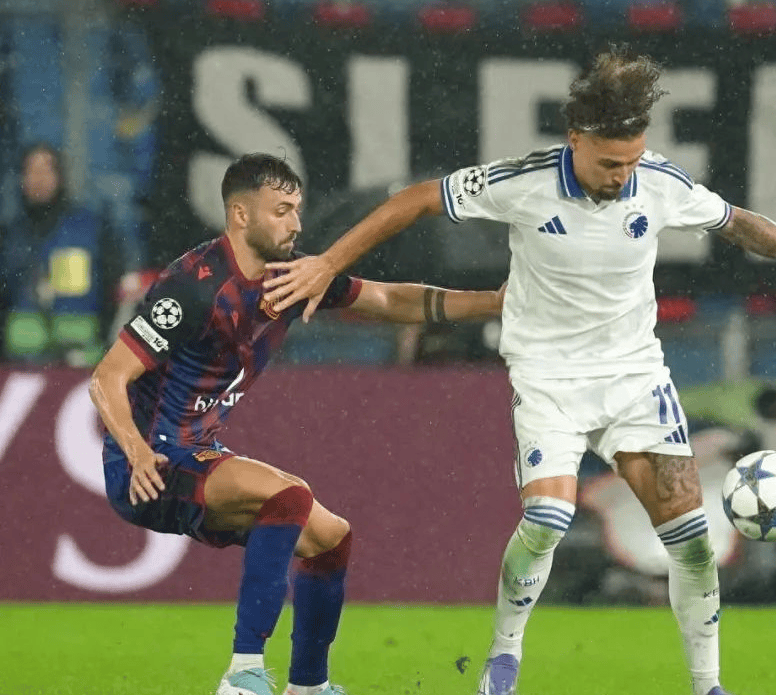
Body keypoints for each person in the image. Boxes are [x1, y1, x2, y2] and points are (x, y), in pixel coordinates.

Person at [262, 48, 776, 695]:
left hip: (634, 380)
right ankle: (504, 658)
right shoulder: (524, 182)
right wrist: (328, 262)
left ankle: (708, 684)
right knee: (547, 521)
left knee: (692, 540)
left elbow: (740, 225)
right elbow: (420, 198)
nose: (623, 175)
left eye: (632, 161)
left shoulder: (659, 182)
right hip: (548, 377)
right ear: (576, 139)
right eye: (611, 163)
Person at [88, 153, 503, 695]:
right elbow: (107, 377)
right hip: (151, 464)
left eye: (297, 210)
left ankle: (308, 685)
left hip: (198, 453)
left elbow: (387, 298)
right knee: (287, 496)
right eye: (281, 211)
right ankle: (243, 676)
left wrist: (494, 303)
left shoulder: (291, 277)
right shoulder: (193, 287)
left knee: (330, 538)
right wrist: (136, 449)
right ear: (241, 215)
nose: (296, 224)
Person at [0, 142, 145, 365]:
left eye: (46, 170)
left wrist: (105, 343)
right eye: (31, 171)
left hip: (81, 363)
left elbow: (114, 289)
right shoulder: (10, 235)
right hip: (18, 365)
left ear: (60, 175)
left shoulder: (91, 229)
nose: (38, 179)